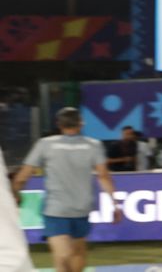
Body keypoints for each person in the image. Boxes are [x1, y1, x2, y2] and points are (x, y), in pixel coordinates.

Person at [11, 107, 122, 272]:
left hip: (56, 210)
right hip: (81, 209)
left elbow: (23, 175)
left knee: (62, 256)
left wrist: (15, 193)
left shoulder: (45, 144)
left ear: (58, 124)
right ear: (81, 123)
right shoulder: (93, 145)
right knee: (77, 254)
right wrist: (115, 203)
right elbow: (104, 176)